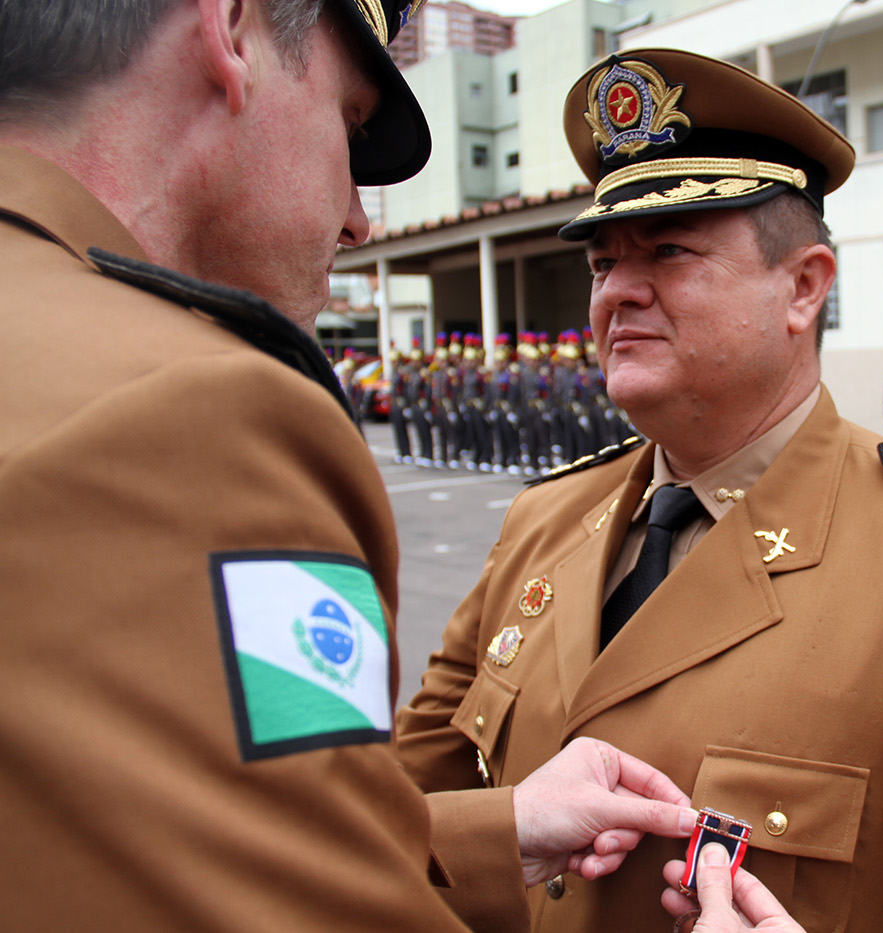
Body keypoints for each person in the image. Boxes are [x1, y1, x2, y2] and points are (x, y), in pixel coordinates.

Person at [395, 47, 883, 933]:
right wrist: (495, 833)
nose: (618, 292)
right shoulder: (544, 518)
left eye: (668, 250)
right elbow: (367, 828)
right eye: (602, 263)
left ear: (803, 287)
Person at [0, 2, 714, 929]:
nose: (359, 221)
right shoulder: (188, 413)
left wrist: (496, 831)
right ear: (233, 29)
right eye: (347, 121)